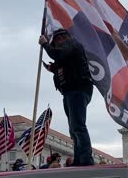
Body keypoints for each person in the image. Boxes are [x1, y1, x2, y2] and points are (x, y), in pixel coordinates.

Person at [39, 29, 94, 166]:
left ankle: (85, 159)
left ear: (60, 38)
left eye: (55, 42)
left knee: (78, 126)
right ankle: (79, 159)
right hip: (71, 90)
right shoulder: (71, 50)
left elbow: (58, 54)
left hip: (77, 89)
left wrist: (45, 44)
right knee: (74, 129)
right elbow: (63, 63)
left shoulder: (72, 44)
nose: (55, 45)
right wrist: (52, 69)